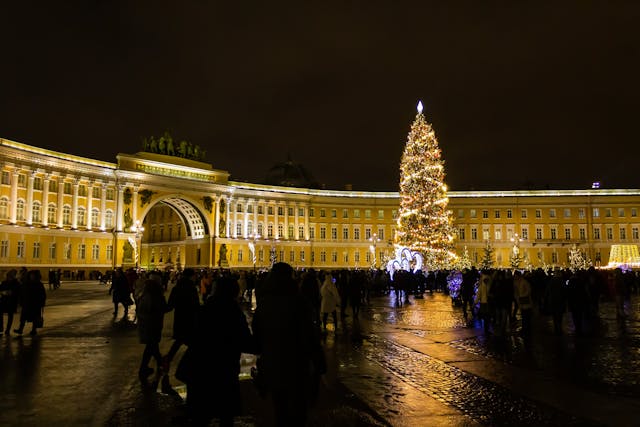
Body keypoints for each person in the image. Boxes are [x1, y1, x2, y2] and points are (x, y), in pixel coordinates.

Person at [252, 263, 326, 426]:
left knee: (280, 409)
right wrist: (319, 361)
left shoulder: (264, 304)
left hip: (274, 366)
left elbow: (256, 341)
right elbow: (311, 335)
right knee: (299, 410)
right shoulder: (300, 302)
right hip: (297, 366)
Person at [184, 276, 253, 426]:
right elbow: (246, 342)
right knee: (225, 415)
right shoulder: (233, 312)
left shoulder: (205, 309)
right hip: (225, 369)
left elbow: (192, 336)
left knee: (201, 416)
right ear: (234, 292)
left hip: (201, 368)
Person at [163, 268, 200, 369]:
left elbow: (170, 305)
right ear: (191, 276)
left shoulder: (177, 287)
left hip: (180, 318)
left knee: (180, 340)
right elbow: (196, 305)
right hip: (190, 319)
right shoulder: (192, 288)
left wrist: (160, 309)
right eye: (194, 276)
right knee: (192, 342)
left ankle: (168, 359)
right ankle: (189, 366)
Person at [136, 274, 168, 381]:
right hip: (153, 324)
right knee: (152, 346)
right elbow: (162, 308)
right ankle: (157, 365)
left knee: (151, 346)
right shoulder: (155, 295)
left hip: (147, 324)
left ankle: (149, 367)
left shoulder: (145, 293)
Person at [14, 270, 46, 336]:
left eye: (33, 275)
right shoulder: (26, 283)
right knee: (23, 317)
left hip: (35, 304)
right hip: (27, 303)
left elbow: (43, 294)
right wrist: (21, 301)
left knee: (35, 317)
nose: (32, 276)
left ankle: (34, 330)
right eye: (31, 275)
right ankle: (20, 329)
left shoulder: (39, 284)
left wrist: (42, 303)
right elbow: (21, 293)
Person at [0, 269, 20, 335]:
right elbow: (0, 289)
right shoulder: (4, 282)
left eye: (11, 276)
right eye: (8, 276)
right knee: (1, 313)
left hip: (12, 301)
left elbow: (17, 292)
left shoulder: (16, 283)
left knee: (10, 315)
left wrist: (11, 292)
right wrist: (3, 292)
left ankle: (7, 329)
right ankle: (1, 328)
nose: (9, 277)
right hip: (4, 300)